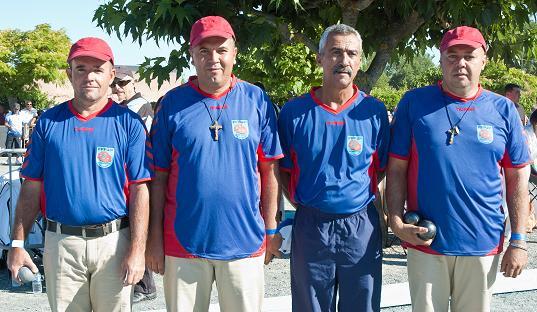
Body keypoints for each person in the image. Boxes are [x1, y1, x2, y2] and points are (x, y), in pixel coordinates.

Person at [387, 26, 530, 311]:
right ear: (440, 59)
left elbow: (518, 179)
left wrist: (519, 240)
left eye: (469, 55)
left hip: (482, 241)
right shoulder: (414, 103)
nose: (460, 63)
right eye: (452, 56)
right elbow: (397, 169)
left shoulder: (503, 110)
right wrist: (395, 220)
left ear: (483, 60)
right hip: (426, 241)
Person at [147, 16, 282, 312]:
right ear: (192, 55)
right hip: (183, 244)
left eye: (221, 50)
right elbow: (158, 176)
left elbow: (270, 170)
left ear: (235, 52)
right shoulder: (171, 104)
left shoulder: (256, 99)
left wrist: (271, 228)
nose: (213, 59)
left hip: (244, 241)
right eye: (204, 51)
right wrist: (154, 238)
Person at [7, 37, 152, 312]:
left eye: (98, 69)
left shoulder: (129, 124)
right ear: (69, 73)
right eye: (81, 68)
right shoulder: (48, 123)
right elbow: (31, 188)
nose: (90, 76)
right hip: (62, 244)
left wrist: (137, 249)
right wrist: (17, 243)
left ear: (111, 74)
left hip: (114, 243)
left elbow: (140, 190)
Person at [278, 24, 389, 312]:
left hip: (360, 225)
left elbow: (381, 169)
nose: (344, 60)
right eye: (336, 52)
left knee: (361, 305)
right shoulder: (294, 112)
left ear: (361, 60)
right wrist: (311, 201)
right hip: (311, 226)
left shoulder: (374, 112)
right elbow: (283, 170)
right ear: (320, 58)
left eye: (352, 53)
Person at [111, 66, 157, 303]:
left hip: (139, 175)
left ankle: (145, 285)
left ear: (133, 82)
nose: (117, 88)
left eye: (122, 83)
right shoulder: (120, 109)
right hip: (126, 177)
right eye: (114, 84)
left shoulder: (140, 107)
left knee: (137, 228)